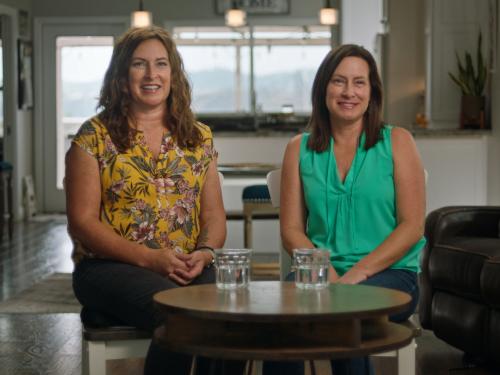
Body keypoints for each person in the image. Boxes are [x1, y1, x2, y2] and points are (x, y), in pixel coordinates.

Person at [65, 26, 237, 374]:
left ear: (173, 74)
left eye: (160, 64)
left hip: (189, 264)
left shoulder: (198, 137)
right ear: (121, 75)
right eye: (139, 64)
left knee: (235, 315)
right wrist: (150, 259)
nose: (151, 74)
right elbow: (82, 223)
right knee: (176, 313)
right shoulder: (93, 136)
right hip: (109, 268)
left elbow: (214, 217)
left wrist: (204, 253)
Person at [278, 44, 426, 374]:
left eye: (359, 82)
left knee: (345, 311)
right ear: (323, 88)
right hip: (317, 273)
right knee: (281, 321)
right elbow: (291, 229)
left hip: (391, 276)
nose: (349, 92)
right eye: (338, 81)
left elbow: (412, 225)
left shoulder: (398, 141)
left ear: (372, 91)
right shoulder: (297, 149)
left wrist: (358, 274)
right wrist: (323, 269)